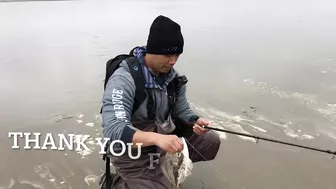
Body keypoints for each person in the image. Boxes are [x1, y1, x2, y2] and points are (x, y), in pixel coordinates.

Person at [100, 15, 221, 189]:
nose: (173, 61)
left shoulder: (174, 78)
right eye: (167, 54)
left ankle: (162, 170)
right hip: (131, 151)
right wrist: (157, 139)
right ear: (152, 50)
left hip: (162, 143)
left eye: (177, 55)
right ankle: (117, 183)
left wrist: (195, 121)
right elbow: (113, 130)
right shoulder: (124, 78)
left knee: (211, 141)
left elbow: (182, 110)